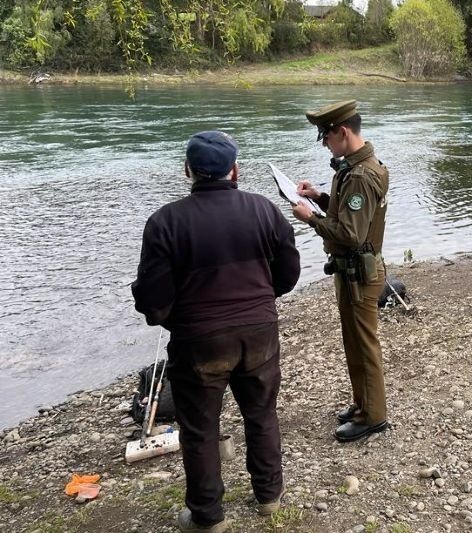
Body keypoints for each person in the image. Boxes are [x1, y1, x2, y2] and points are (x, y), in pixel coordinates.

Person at [132, 131, 301, 532]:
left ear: (188, 170)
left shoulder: (165, 222)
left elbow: (154, 302)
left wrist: (176, 317)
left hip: (199, 342)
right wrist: (258, 301)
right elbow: (289, 274)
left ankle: (208, 516)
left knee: (200, 428)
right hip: (259, 332)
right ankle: (269, 497)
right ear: (235, 170)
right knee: (261, 413)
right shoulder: (264, 210)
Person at [290, 100, 390, 443]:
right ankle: (363, 404)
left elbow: (350, 234)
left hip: (360, 276)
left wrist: (311, 219)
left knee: (364, 345)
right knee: (354, 342)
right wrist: (318, 197)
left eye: (326, 135)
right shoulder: (355, 168)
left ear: (342, 132)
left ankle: (374, 416)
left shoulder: (360, 175)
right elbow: (348, 215)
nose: (323, 143)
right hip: (351, 273)